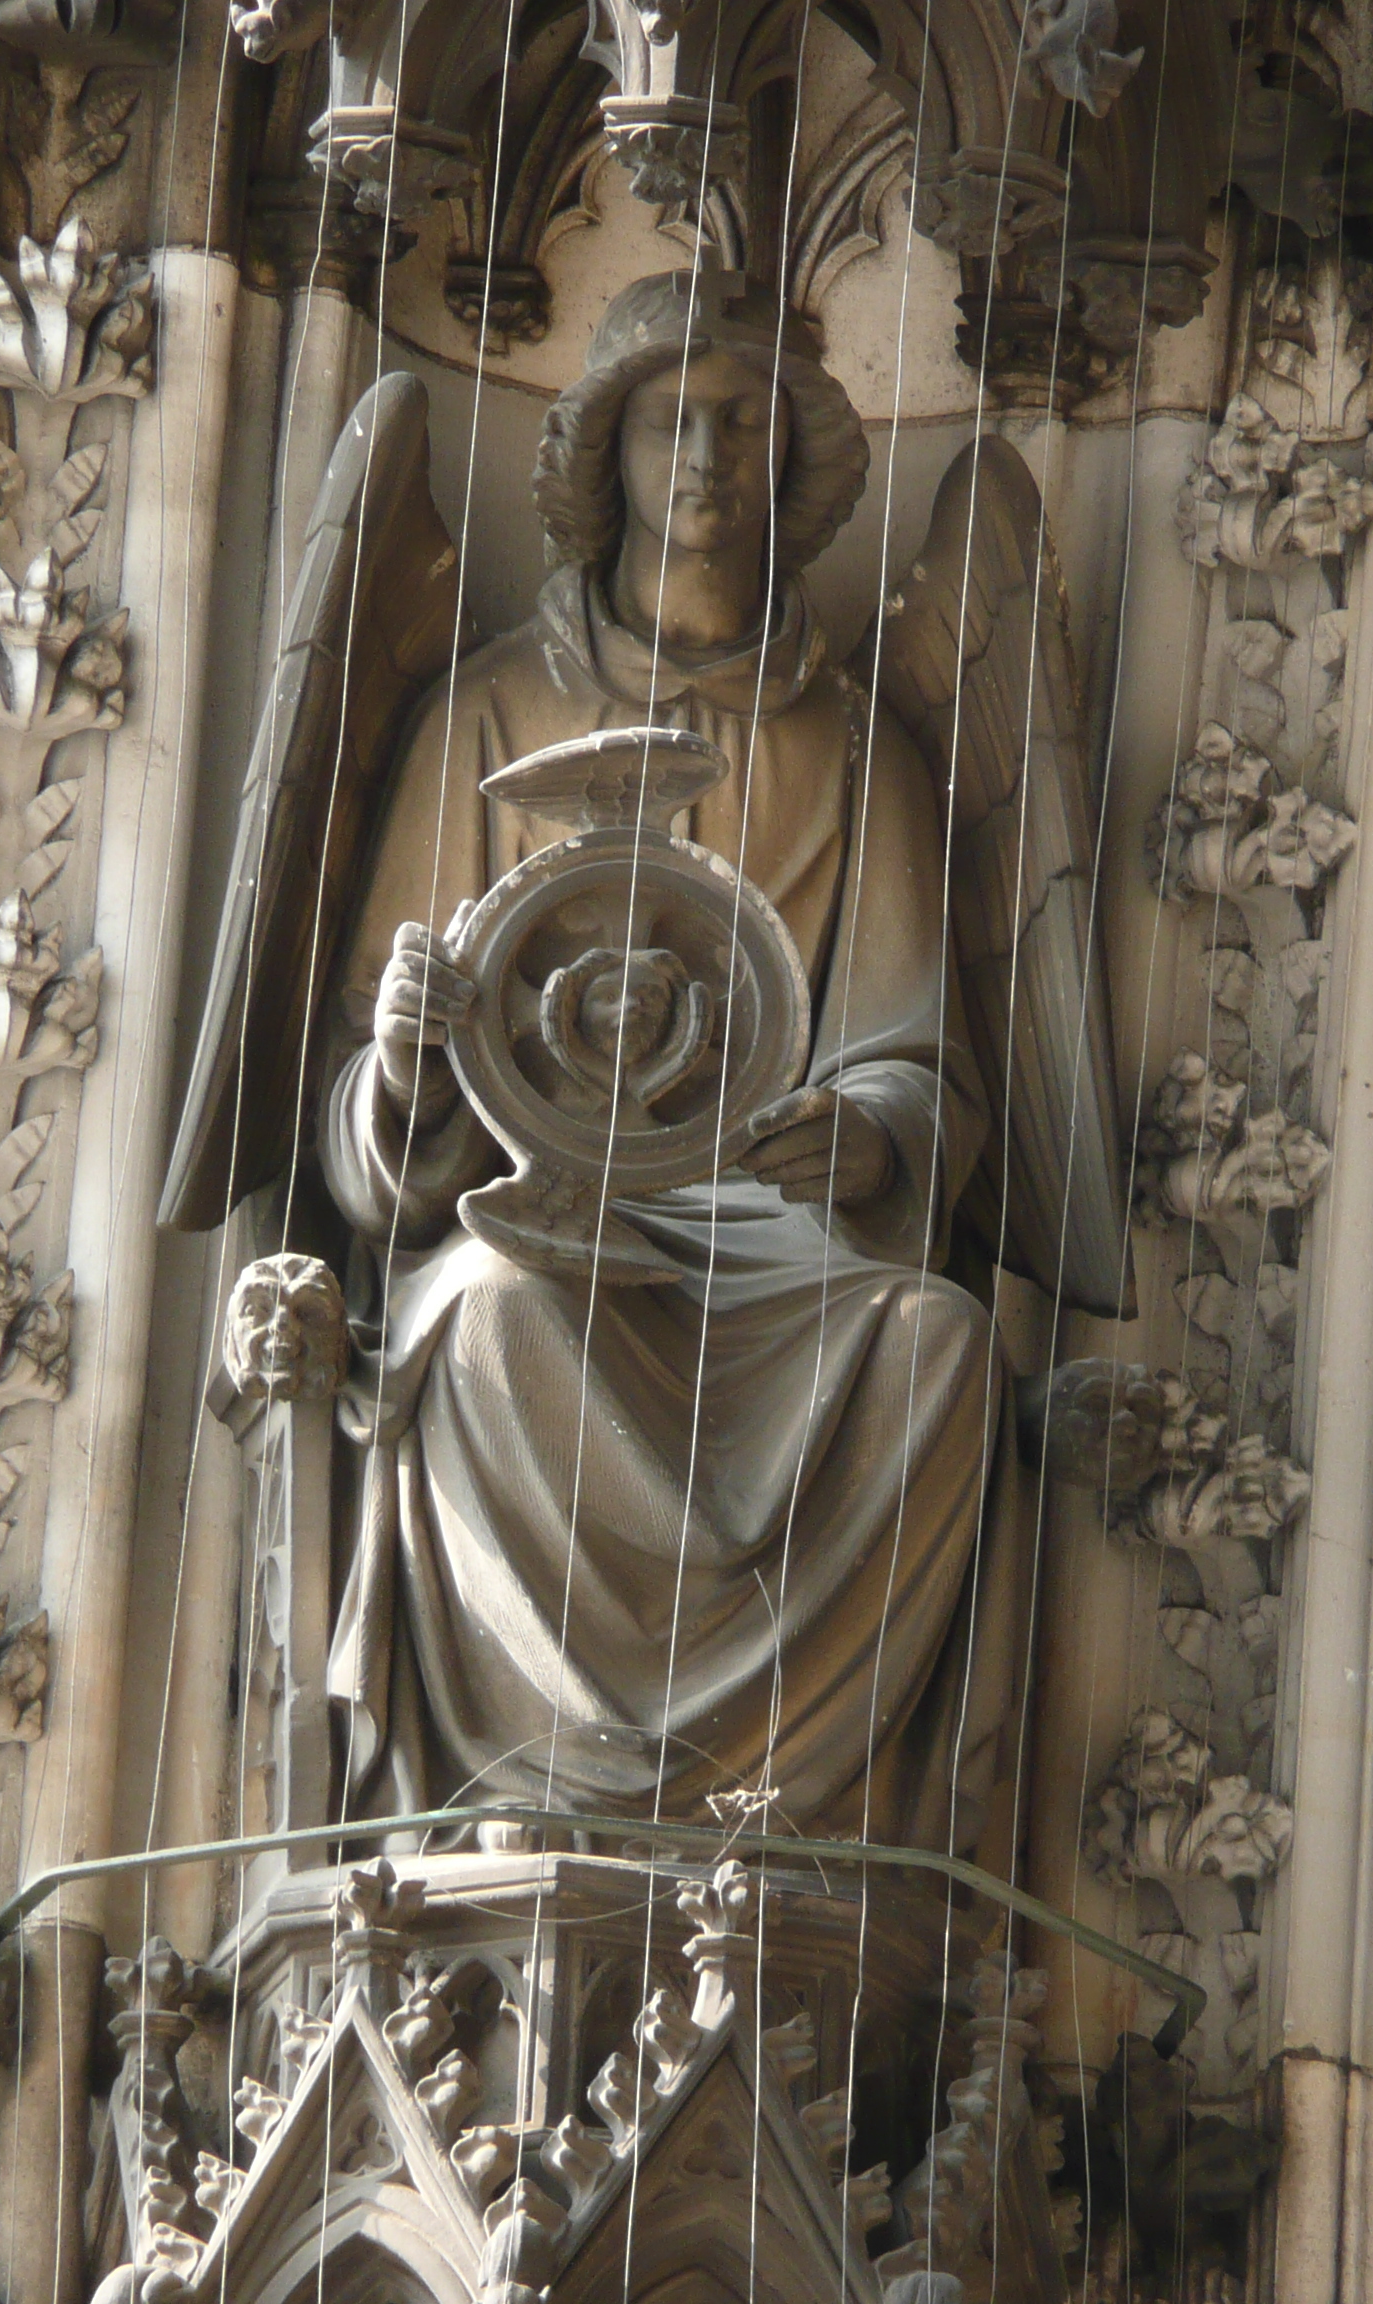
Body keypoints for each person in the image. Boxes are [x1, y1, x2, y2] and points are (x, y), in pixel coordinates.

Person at [314, 270, 1027, 1854]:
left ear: (798, 466)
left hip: (761, 1245)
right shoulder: (489, 712)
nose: (704, 457)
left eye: (746, 423)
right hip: (538, 1223)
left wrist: (867, 1136)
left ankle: (773, 1817)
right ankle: (553, 1784)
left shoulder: (853, 751)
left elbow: (917, 1057)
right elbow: (365, 1093)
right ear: (602, 458)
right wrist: (416, 1071)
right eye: (667, 421)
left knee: (940, 1351)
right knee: (490, 1320)